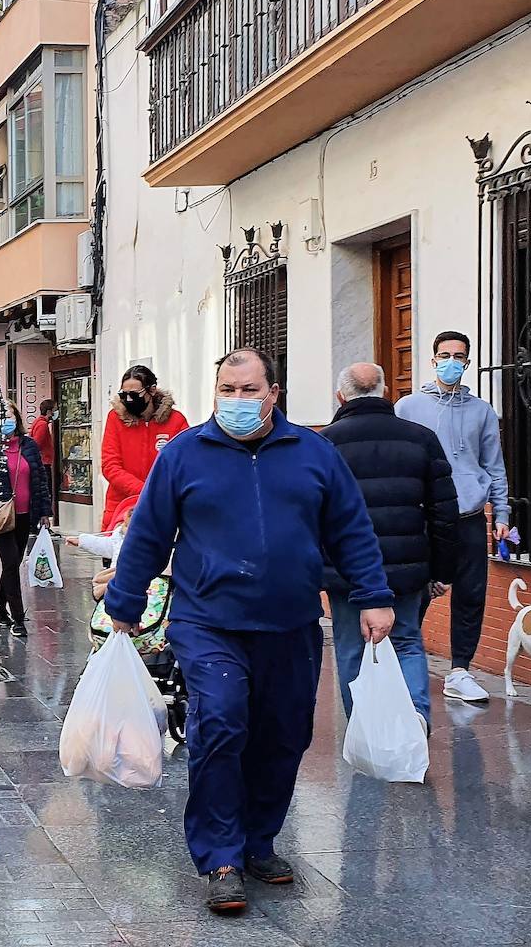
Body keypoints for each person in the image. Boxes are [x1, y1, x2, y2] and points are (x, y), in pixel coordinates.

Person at [106, 348, 393, 917]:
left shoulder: (315, 454)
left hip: (289, 623)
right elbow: (149, 532)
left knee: (284, 734)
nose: (235, 401)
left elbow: (351, 529)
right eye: (226, 390)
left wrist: (374, 595)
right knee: (219, 722)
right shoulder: (185, 456)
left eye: (247, 390)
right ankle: (220, 857)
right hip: (208, 621)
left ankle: (257, 841)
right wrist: (125, 597)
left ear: (273, 393)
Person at [321, 363, 459, 733]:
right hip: (407, 567)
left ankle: (365, 728)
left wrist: (316, 569)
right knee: (408, 641)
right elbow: (445, 512)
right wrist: (443, 571)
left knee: (351, 648)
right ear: (386, 393)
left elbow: (311, 512)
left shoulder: (325, 443)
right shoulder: (421, 438)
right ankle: (414, 716)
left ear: (341, 396)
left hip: (346, 571)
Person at [396, 331, 511, 704]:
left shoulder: (482, 412)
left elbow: (494, 467)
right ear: (432, 361)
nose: (451, 361)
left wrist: (502, 513)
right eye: (444, 355)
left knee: (471, 594)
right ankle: (399, 664)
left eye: (458, 356)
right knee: (418, 592)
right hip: (425, 517)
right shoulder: (408, 407)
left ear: (467, 363)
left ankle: (460, 670)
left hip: (470, 516)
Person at [0, 401, 51, 639]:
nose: (6, 420)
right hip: (1, 517)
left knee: (12, 563)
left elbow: (40, 480)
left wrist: (44, 511)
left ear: (18, 419)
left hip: (26, 514)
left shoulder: (30, 446)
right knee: (11, 562)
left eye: (10, 415)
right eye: (1, 416)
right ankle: (18, 619)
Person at [100, 365, 189, 532]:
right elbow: (110, 466)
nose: (129, 400)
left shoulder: (176, 421)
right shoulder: (115, 419)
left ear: (152, 390)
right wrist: (146, 492)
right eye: (124, 395)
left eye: (134, 395)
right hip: (121, 510)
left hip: (163, 508)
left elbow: (185, 465)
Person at [30, 398, 56, 511]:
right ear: (49, 412)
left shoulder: (39, 422)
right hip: (43, 463)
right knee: (46, 491)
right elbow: (37, 444)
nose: (56, 413)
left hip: (43, 461)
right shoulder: (42, 425)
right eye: (55, 410)